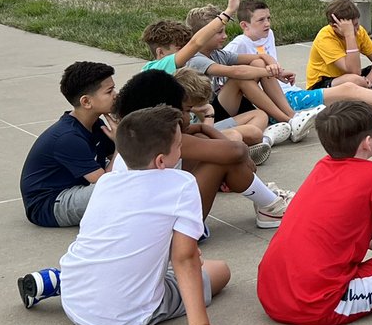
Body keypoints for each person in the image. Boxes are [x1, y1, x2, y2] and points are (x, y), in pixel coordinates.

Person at [19, 105, 234, 325]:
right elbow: (184, 258)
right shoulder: (181, 184)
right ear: (161, 160)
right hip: (127, 316)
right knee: (219, 270)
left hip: (75, 304)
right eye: (179, 144)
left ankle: (57, 280)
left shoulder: (106, 182)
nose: (182, 148)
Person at [257, 101, 372, 325]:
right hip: (320, 304)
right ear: (367, 143)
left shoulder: (322, 167)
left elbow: (325, 226)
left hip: (271, 295)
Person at [113, 71, 294, 229]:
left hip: (150, 222)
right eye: (186, 110)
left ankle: (269, 199)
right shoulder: (167, 138)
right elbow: (236, 151)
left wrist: (204, 128)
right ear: (167, 113)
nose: (188, 117)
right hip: (169, 232)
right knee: (220, 159)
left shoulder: (136, 135)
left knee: (210, 146)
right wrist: (243, 156)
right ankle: (271, 206)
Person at [184, 3, 323, 142]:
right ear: (203, 34)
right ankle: (289, 120)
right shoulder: (195, 59)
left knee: (261, 114)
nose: (225, 36)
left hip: (221, 113)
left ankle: (269, 136)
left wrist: (277, 70)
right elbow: (237, 72)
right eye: (219, 32)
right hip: (206, 119)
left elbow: (259, 57)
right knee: (241, 78)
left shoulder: (217, 54)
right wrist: (269, 72)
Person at [19, 61, 117, 228]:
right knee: (118, 190)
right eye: (109, 91)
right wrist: (121, 144)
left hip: (78, 186)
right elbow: (105, 183)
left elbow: (128, 161)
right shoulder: (68, 137)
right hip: (49, 205)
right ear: (86, 102)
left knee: (137, 174)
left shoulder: (95, 124)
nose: (116, 94)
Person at [172, 67, 272, 166]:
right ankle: (244, 150)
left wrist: (207, 112)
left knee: (255, 131)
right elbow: (204, 138)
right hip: (196, 145)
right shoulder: (174, 116)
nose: (189, 113)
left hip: (204, 133)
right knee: (234, 136)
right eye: (189, 108)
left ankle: (252, 146)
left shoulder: (187, 108)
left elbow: (204, 130)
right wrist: (208, 113)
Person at [307, 0, 372, 93]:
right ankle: (371, 95)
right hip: (323, 84)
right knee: (355, 79)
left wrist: (368, 81)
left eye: (356, 24)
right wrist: (349, 35)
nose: (355, 30)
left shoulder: (360, 31)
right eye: (350, 27)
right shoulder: (325, 38)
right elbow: (354, 71)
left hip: (353, 79)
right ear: (335, 26)